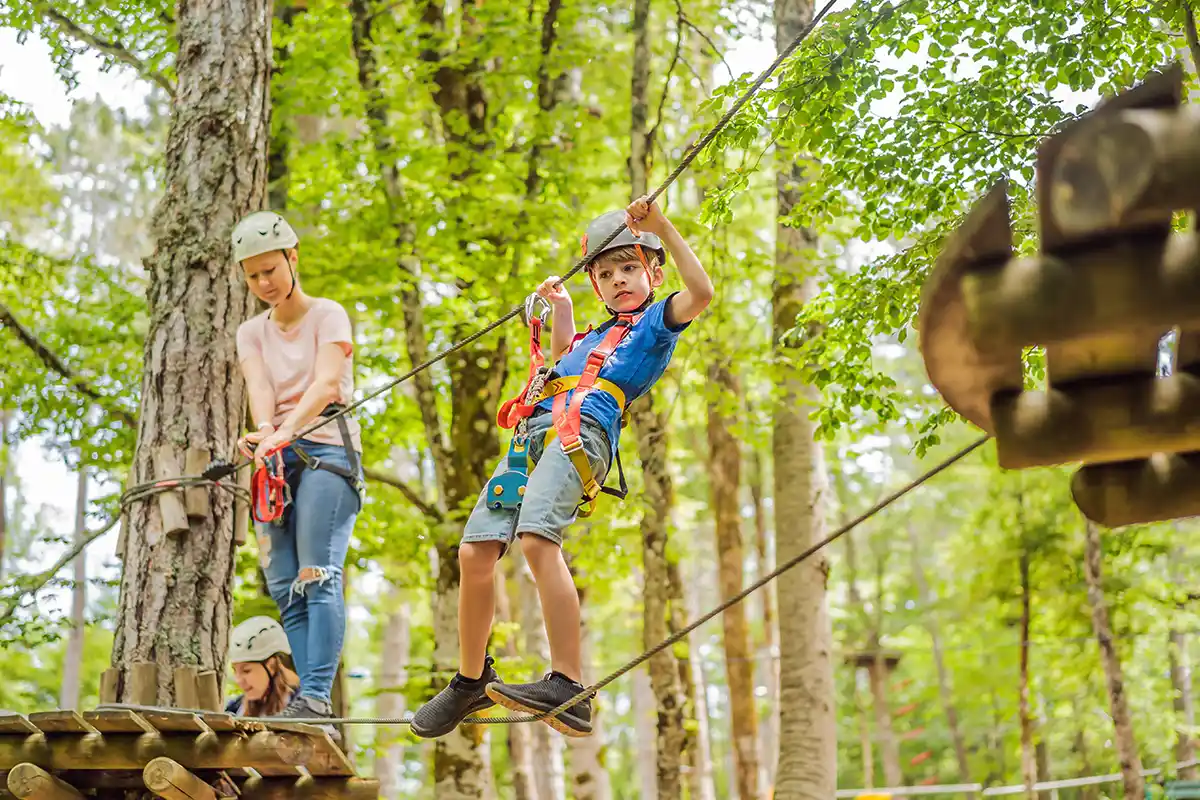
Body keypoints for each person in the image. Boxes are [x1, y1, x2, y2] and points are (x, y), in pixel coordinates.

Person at [411, 195, 713, 739]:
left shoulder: (654, 325)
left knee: (536, 538)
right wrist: (564, 310)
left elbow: (702, 293)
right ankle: (470, 680)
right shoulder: (590, 338)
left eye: (630, 268)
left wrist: (661, 226)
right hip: (532, 437)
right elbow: (561, 364)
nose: (620, 280)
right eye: (607, 273)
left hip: (583, 434)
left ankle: (568, 685)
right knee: (474, 550)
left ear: (653, 272)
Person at [231, 210, 364, 724]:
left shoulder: (327, 314)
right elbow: (260, 388)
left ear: (293, 257)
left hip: (327, 452)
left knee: (318, 575)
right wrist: (266, 431)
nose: (264, 283)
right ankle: (301, 704)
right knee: (286, 587)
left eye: (271, 270)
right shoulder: (251, 332)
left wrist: (287, 431)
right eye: (253, 275)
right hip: (278, 462)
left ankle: (315, 698)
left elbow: (327, 383)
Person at [225, 616, 300, 717]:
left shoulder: (304, 705)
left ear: (271, 666)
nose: (238, 680)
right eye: (235, 671)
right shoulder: (235, 709)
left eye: (246, 671)